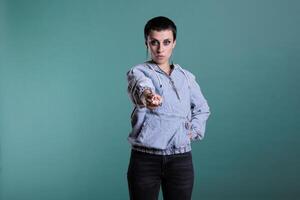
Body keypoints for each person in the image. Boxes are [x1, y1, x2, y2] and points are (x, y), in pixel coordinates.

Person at [126, 16, 211, 200]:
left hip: (180, 160)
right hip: (145, 160)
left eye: (166, 42)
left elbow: (202, 108)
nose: (160, 49)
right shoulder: (139, 71)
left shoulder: (187, 77)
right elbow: (141, 86)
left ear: (174, 43)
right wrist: (148, 96)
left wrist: (191, 131)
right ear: (146, 43)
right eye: (154, 42)